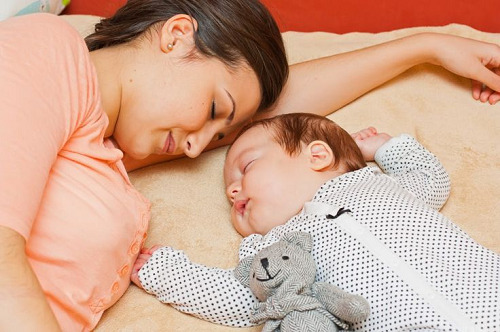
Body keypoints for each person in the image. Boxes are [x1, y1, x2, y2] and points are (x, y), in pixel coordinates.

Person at [1, 0, 499, 330]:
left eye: (219, 134)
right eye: (215, 111)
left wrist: (425, 47)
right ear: (176, 35)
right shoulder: (46, 49)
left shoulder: (106, 150)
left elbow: (282, 133)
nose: (198, 150)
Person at [133, 113, 500, 331]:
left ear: (318, 156)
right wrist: (166, 273)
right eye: (230, 186)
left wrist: (385, 148)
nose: (232, 190)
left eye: (246, 168)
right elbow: (243, 299)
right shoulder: (275, 251)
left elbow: (429, 180)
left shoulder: (375, 183)